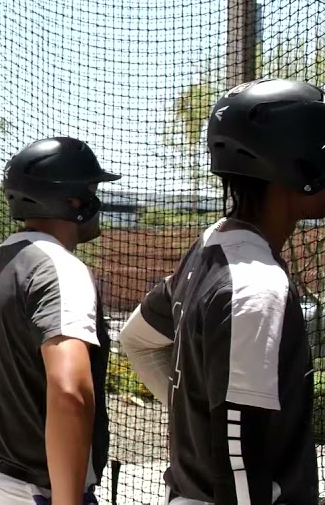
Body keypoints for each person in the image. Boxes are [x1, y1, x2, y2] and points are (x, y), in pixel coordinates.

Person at [119, 77, 325, 505]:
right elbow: (239, 461)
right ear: (298, 166)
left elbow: (136, 340)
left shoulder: (211, 248)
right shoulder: (257, 286)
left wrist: (197, 416)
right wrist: (205, 422)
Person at [0, 137, 118, 505]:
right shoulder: (59, 267)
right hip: (28, 490)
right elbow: (70, 393)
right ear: (73, 201)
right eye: (92, 190)